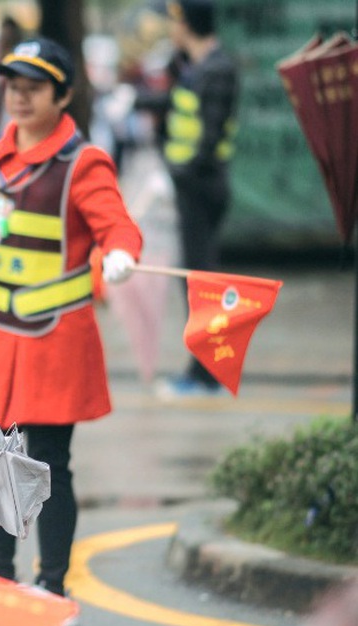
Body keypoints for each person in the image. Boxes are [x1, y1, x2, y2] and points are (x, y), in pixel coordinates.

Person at [0, 37, 143, 626]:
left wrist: (121, 256)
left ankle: (52, 587)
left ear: (64, 94)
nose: (19, 96)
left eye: (34, 86)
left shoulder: (82, 161)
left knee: (49, 464)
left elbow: (118, 228)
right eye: (12, 85)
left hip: (57, 338)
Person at [143, 0, 239, 397]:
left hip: (201, 186)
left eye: (174, 20)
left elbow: (209, 135)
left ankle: (205, 375)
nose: (170, 27)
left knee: (202, 284)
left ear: (189, 22)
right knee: (197, 281)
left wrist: (179, 174)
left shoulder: (217, 69)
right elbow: (178, 109)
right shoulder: (195, 66)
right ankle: (202, 371)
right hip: (189, 186)